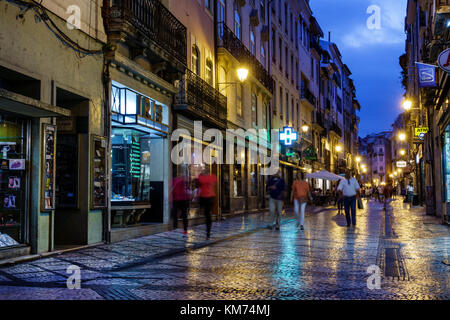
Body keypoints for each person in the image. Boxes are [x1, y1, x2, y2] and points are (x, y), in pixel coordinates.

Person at [198, 168, 217, 240]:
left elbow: (200, 182)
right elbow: (214, 184)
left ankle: (208, 233)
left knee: (207, 215)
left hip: (207, 198)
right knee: (207, 215)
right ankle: (208, 233)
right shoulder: (212, 177)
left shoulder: (202, 177)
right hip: (209, 197)